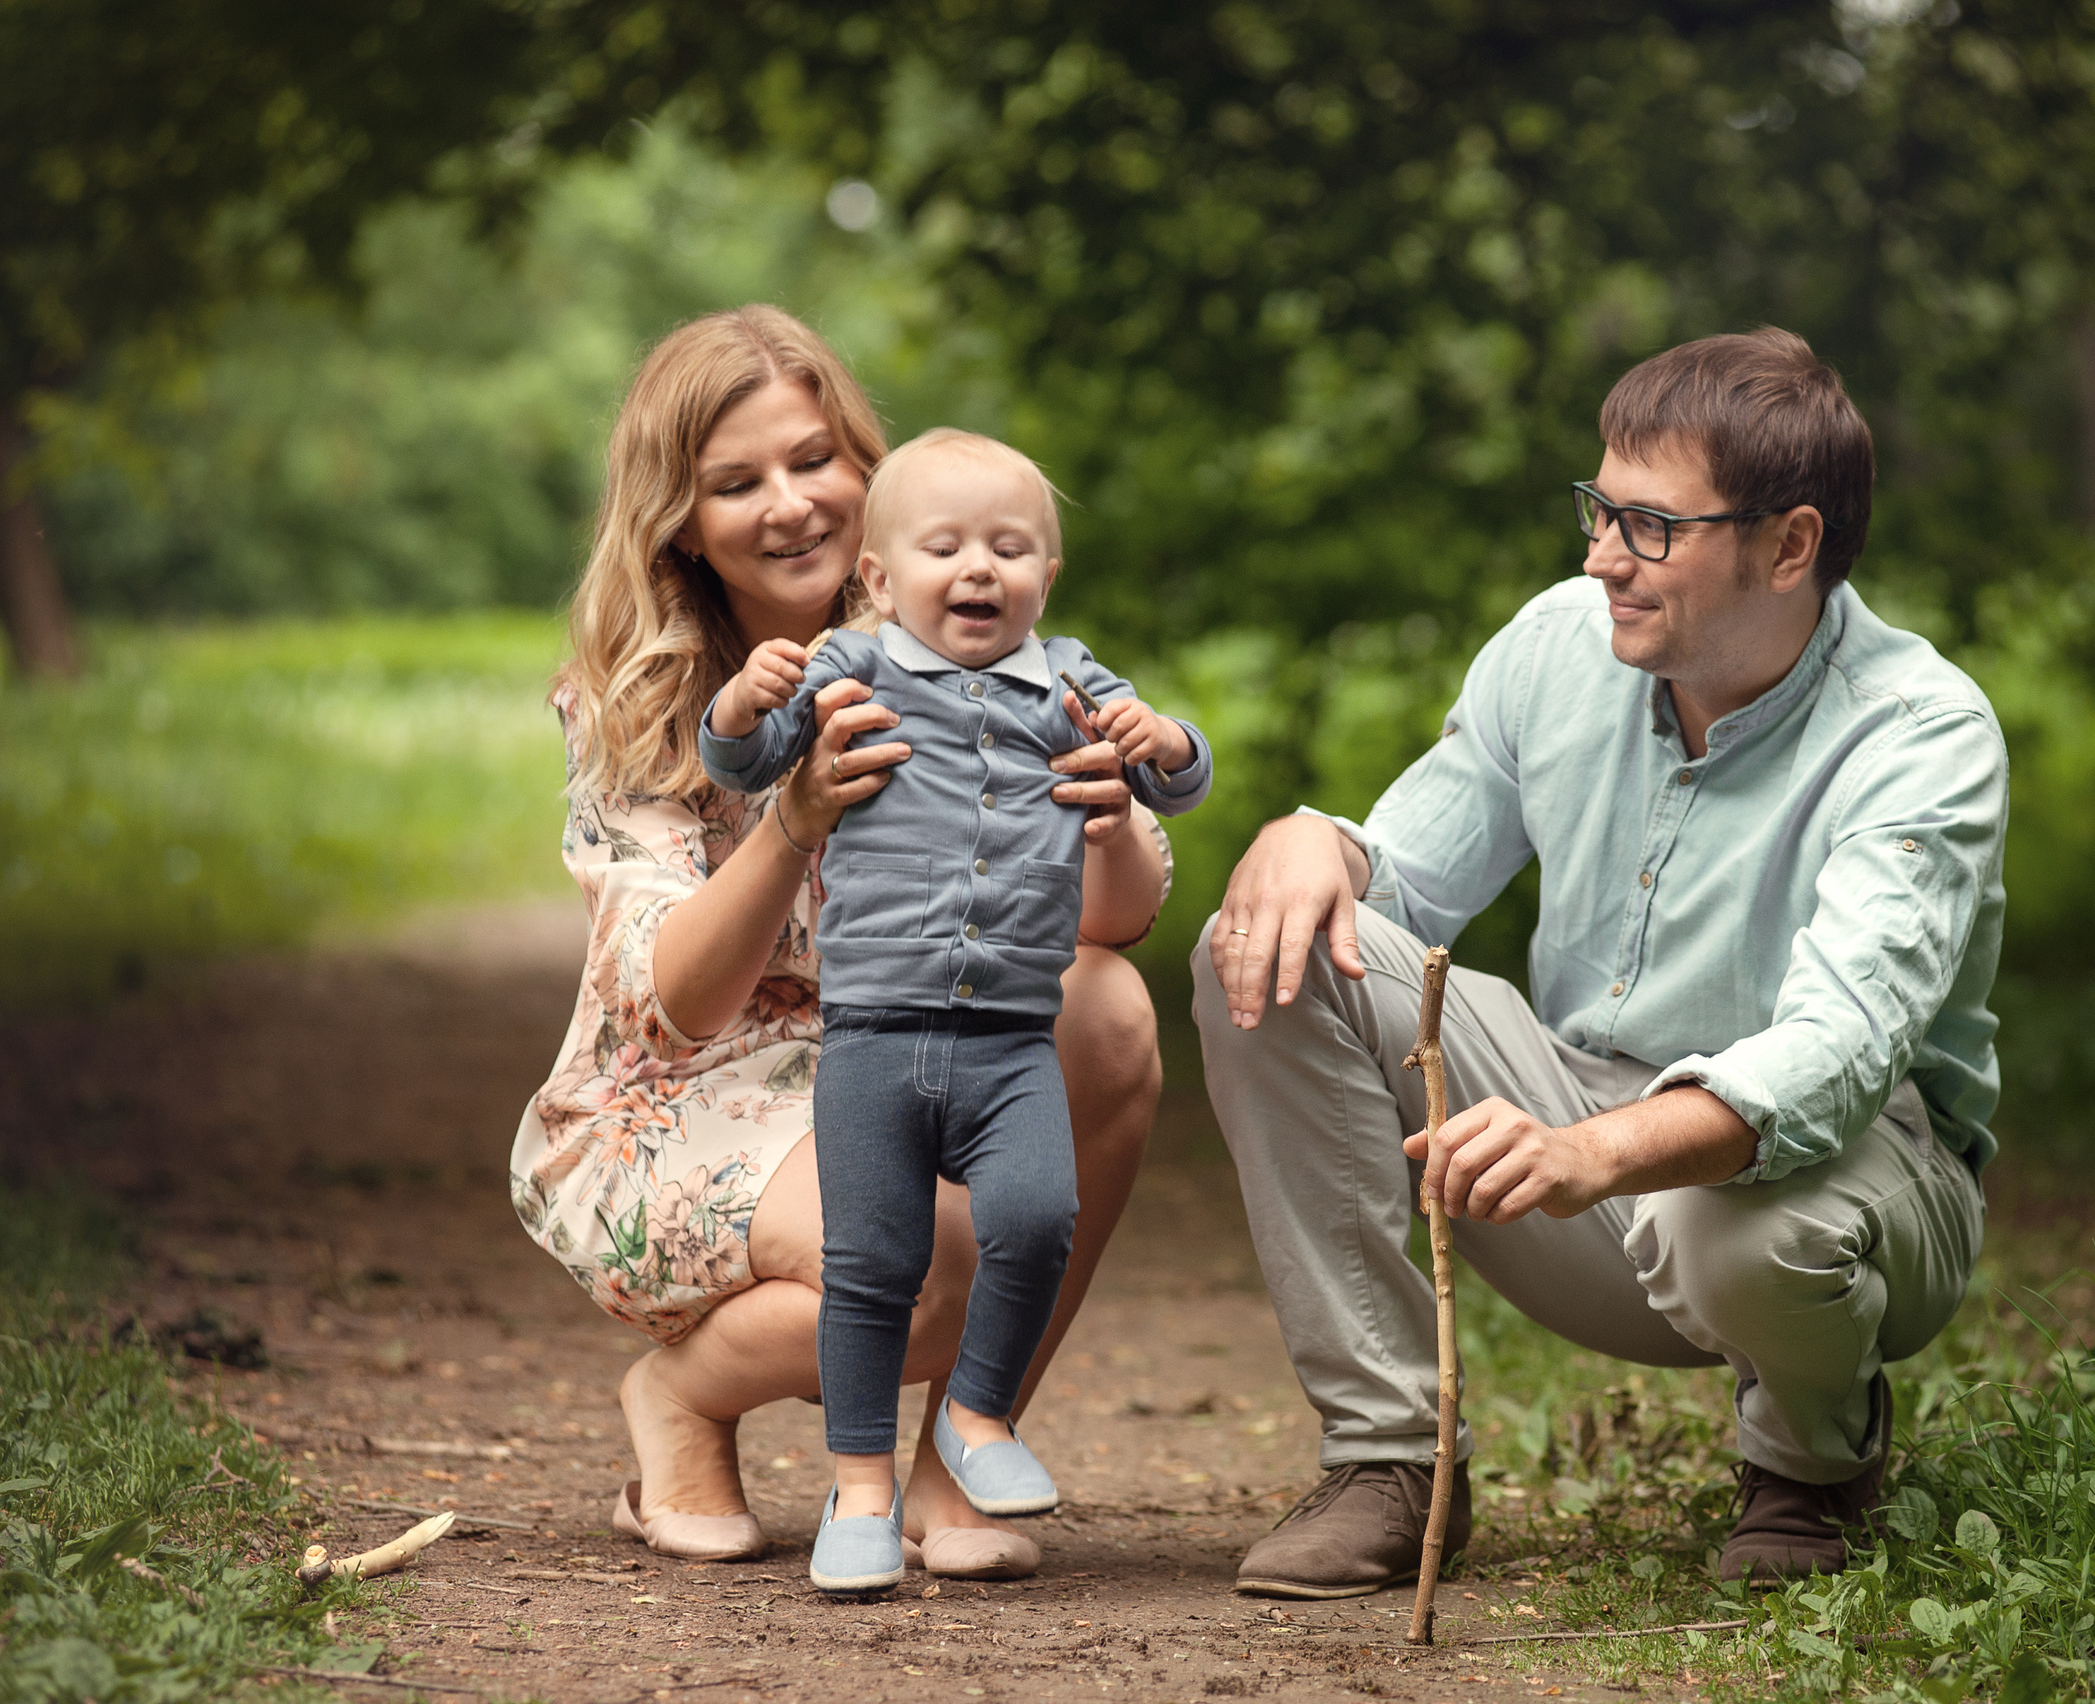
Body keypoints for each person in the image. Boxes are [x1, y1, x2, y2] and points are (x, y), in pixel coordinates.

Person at [1192, 328, 2002, 1594]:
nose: (1598, 559)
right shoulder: (1558, 642)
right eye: (1597, 510)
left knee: (1731, 1231)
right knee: (1276, 942)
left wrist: (1592, 1153)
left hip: (1848, 1187)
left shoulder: (1921, 734)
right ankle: (1394, 1461)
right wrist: (1317, 843)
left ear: (1789, 545)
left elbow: (1838, 1056)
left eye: (1648, 528)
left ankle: (1810, 1466)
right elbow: (1404, 871)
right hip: (1578, 1139)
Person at [510, 307, 1172, 1584]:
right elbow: (680, 1005)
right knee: (927, 1260)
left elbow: (1111, 923)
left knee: (1108, 1008)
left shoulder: (997, 660)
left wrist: (1107, 812)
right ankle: (682, 1398)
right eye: (735, 482)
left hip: (918, 1037)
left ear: (870, 476)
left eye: (816, 459)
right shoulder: (647, 702)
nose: (792, 504)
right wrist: (790, 821)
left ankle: (950, 1466)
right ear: (680, 522)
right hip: (686, 1094)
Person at [696, 427, 1210, 1592]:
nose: (978, 569)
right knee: (873, 1264)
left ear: (1047, 576)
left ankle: (978, 1417)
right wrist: (741, 703)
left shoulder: (1071, 681)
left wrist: (1161, 743)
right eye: (944, 547)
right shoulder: (852, 668)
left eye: (1009, 548)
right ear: (878, 576)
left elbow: (1176, 776)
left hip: (1012, 1038)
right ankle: (861, 1495)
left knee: (1035, 1218)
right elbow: (743, 762)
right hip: (875, 1036)